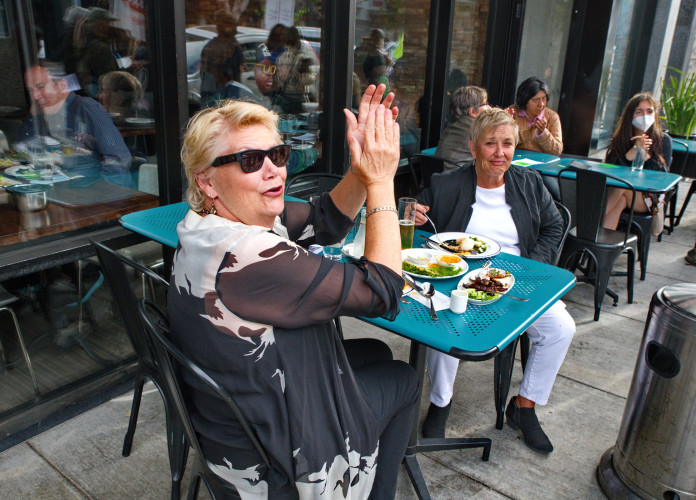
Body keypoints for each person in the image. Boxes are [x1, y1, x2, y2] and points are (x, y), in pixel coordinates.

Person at [167, 84, 419, 498]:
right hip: (274, 450)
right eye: (250, 161)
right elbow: (383, 291)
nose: (273, 171)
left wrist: (360, 171)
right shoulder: (248, 254)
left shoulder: (207, 223)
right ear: (207, 181)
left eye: (278, 155)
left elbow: (325, 220)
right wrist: (380, 181)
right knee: (403, 379)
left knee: (376, 351)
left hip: (245, 401)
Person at [413, 107, 575, 453]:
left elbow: (554, 226)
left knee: (561, 328)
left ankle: (524, 406)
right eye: (490, 143)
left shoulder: (530, 183)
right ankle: (441, 402)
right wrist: (412, 213)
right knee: (444, 323)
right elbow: (419, 220)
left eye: (507, 143)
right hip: (460, 281)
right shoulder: (446, 184)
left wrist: (531, 268)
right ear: (473, 147)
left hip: (517, 281)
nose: (500, 153)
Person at [17, 65, 132, 185]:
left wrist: (102, 190)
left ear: (62, 85)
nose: (35, 96)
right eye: (31, 90)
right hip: (53, 187)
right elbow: (22, 152)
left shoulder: (87, 108)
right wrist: (33, 117)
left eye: (41, 87)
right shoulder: (41, 111)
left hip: (88, 189)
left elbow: (119, 158)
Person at [603, 92, 673, 230]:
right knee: (621, 198)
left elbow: (663, 177)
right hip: (624, 191)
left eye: (649, 111)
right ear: (631, 115)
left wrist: (645, 155)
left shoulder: (663, 140)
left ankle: (587, 221)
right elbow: (610, 170)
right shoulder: (622, 138)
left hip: (650, 198)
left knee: (622, 187)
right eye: (639, 112)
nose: (645, 116)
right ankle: (602, 241)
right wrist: (629, 155)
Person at [434, 86, 490, 168]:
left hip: (442, 173)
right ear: (473, 112)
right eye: (485, 103)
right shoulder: (477, 129)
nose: (489, 107)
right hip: (459, 174)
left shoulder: (456, 124)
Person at [506, 77, 563, 156]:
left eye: (544, 98)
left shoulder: (552, 117)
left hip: (542, 162)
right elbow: (505, 142)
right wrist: (529, 132)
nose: (541, 104)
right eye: (536, 100)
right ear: (525, 100)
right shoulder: (512, 112)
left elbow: (557, 150)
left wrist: (542, 132)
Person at [199, 10, 243, 104]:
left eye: (233, 24)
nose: (233, 27)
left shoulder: (234, 45)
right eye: (229, 24)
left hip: (231, 92)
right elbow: (206, 74)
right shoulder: (213, 47)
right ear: (220, 26)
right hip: (217, 92)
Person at [274, 26, 315, 114]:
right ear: (298, 40)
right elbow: (305, 80)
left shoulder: (280, 58)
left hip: (284, 97)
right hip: (298, 98)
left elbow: (277, 79)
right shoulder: (303, 59)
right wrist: (314, 76)